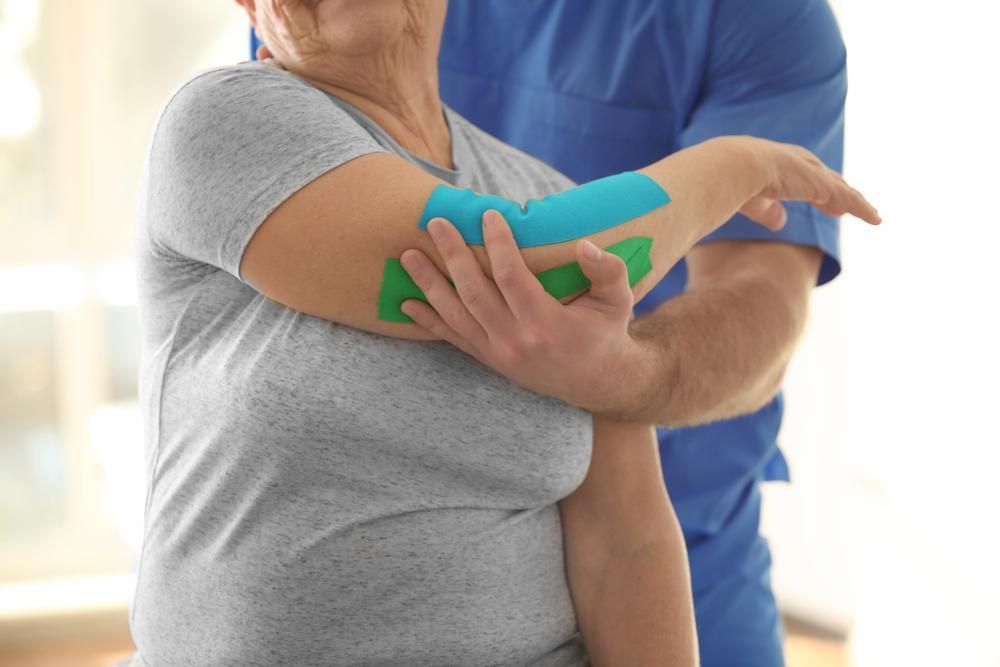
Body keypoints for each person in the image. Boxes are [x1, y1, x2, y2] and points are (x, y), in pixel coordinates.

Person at [124, 1, 876, 665]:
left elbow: (627, 542)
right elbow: (536, 262)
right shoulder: (222, 124)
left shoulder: (547, 191)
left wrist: (619, 374)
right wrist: (732, 165)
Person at [405, 2, 851, 665]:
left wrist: (619, 373)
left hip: (684, 534)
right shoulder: (335, 19)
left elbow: (761, 304)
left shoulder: (761, 17)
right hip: (426, 537)